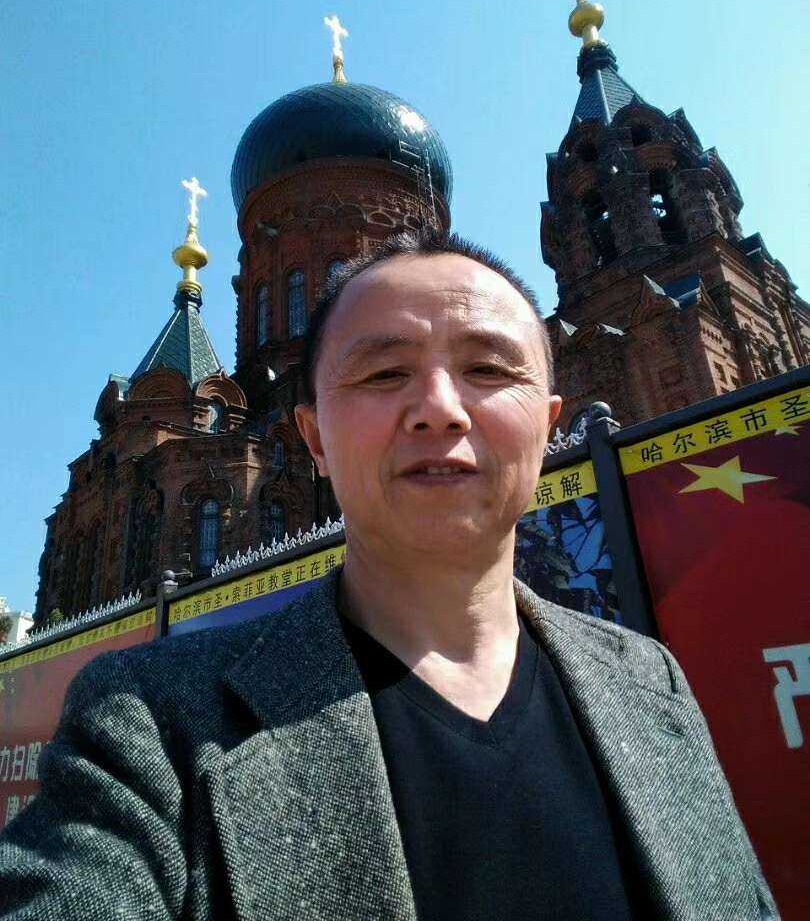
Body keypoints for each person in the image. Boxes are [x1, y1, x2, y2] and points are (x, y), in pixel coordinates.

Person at [0, 229, 776, 920]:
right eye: (383, 373)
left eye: (487, 368)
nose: (439, 409)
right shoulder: (152, 723)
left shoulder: (651, 688)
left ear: (549, 428)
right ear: (312, 440)